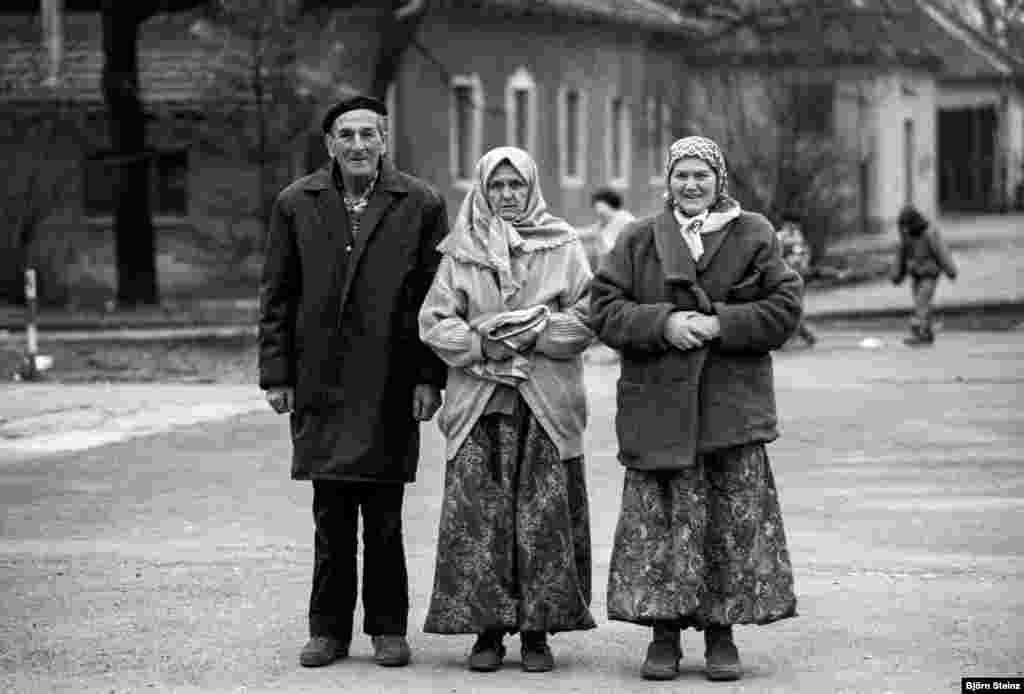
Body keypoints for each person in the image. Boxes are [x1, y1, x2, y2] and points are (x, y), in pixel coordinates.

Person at [589, 135, 802, 682]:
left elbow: (784, 308)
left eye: (701, 175)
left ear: (719, 179)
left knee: (725, 528)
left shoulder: (753, 233)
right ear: (668, 181)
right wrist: (663, 324)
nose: (691, 185)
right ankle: (663, 637)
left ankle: (720, 635)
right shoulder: (638, 239)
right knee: (662, 530)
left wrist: (718, 323)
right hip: (658, 408)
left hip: (730, 410)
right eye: (681, 175)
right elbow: (603, 309)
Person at [258, 95, 448, 669]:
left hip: (391, 379)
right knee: (331, 515)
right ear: (330, 144)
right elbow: (277, 294)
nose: (359, 145)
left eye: (369, 134)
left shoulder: (420, 203)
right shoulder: (297, 203)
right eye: (347, 135)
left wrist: (429, 377)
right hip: (320, 379)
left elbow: (435, 298)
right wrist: (276, 374)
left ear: (384, 140)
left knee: (385, 518)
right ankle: (327, 631)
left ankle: (389, 629)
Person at [419, 146, 595, 673]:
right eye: (496, 186)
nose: (507, 195)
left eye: (516, 185)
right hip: (481, 406)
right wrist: (484, 345)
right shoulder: (460, 251)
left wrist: (534, 332)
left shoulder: (563, 244)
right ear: (482, 190)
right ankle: (487, 632)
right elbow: (434, 322)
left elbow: (588, 317)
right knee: (481, 520)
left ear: (532, 187)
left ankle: (538, 634)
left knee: (543, 520)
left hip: (546, 407)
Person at [891, 206, 957, 346]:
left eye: (906, 226)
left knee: (921, 303)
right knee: (922, 304)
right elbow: (900, 257)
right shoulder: (906, 237)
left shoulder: (929, 234)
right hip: (916, 275)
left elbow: (941, 252)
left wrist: (950, 270)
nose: (904, 230)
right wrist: (896, 275)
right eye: (902, 227)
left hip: (929, 275)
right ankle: (926, 332)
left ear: (913, 223)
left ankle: (919, 333)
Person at [776, 210, 818, 346]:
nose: (794, 227)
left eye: (796, 225)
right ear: (785, 224)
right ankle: (802, 333)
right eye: (791, 224)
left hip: (798, 276)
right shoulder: (779, 237)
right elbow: (775, 257)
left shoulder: (798, 237)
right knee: (788, 306)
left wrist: (804, 263)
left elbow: (804, 254)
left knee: (795, 306)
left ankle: (801, 333)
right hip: (783, 277)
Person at [579, 188, 635, 271]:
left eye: (598, 206)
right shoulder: (603, 222)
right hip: (608, 270)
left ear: (608, 204)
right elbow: (586, 233)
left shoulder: (624, 219)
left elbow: (611, 248)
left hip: (622, 269)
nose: (596, 209)